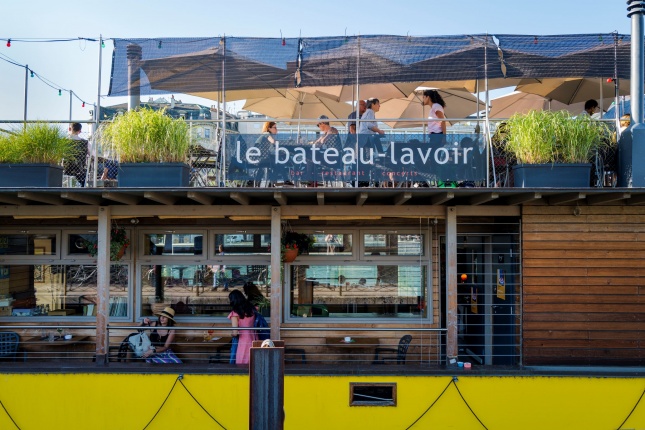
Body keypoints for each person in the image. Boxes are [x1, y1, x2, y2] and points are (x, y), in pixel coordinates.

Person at [228, 290, 257, 364]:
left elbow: (235, 332)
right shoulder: (252, 310)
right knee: (253, 362)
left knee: (242, 362)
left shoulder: (235, 313)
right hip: (254, 337)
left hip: (243, 340)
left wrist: (231, 334)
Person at [64, 122, 88, 187]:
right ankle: (83, 188)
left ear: (69, 129)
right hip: (80, 168)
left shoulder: (64, 142)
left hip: (66, 168)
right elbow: (92, 154)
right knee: (83, 177)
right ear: (80, 131)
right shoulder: (85, 143)